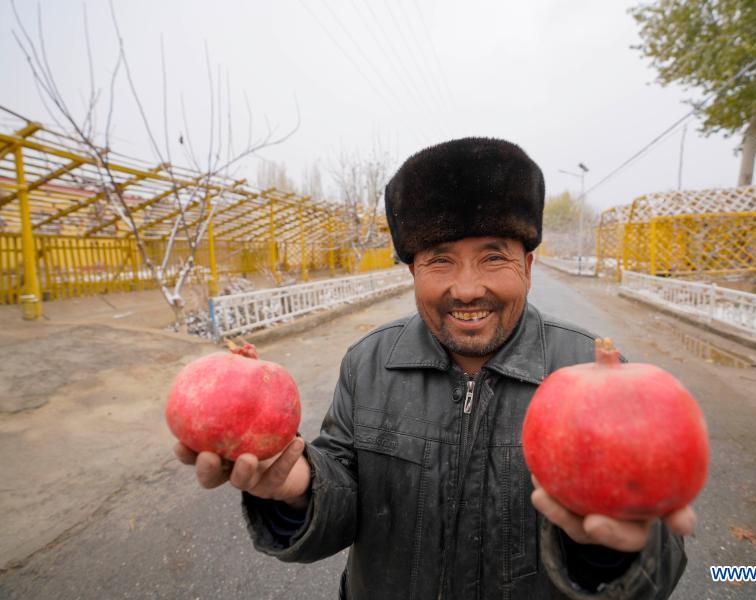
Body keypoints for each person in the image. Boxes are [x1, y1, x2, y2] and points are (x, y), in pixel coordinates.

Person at [175, 137, 694, 599]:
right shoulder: (369, 363)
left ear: (529, 266)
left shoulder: (595, 374)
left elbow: (655, 562)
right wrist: (297, 491)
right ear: (412, 271)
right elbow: (343, 493)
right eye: (439, 260)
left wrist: (607, 553)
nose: (467, 288)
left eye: (494, 258)